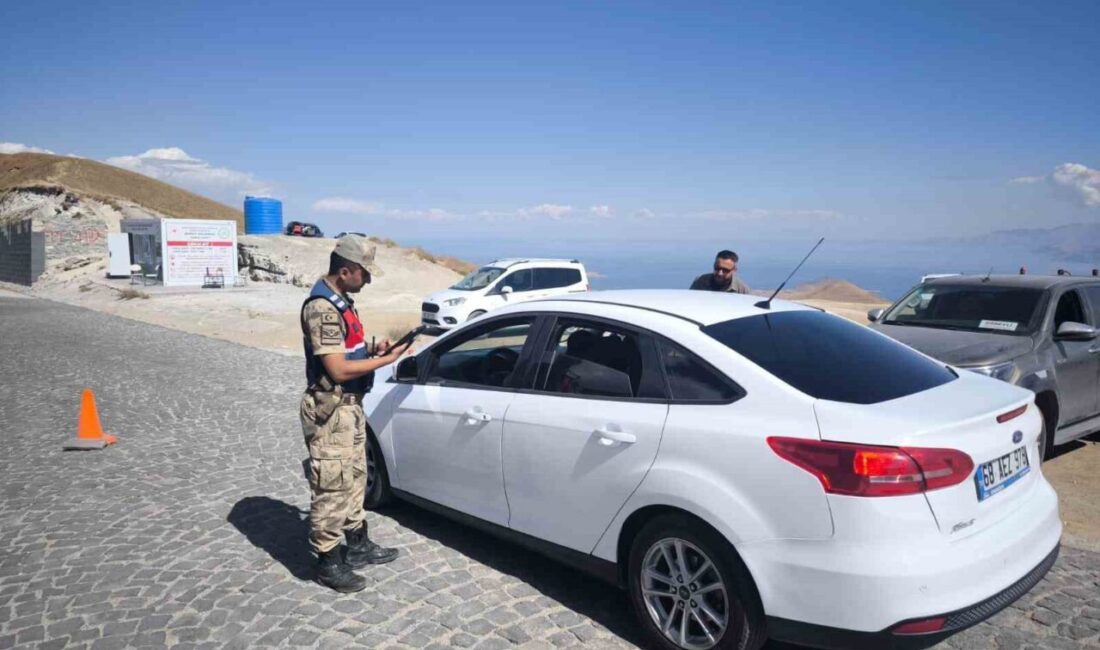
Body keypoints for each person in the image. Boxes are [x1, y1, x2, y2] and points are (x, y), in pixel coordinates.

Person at [300, 235, 416, 592]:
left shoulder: (342, 302)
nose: (367, 280)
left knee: (353, 478)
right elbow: (336, 369)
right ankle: (328, 561)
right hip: (331, 408)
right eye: (365, 274)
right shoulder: (322, 307)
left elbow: (345, 350)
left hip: (350, 407)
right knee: (331, 485)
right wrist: (385, 360)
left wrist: (371, 349)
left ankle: (357, 544)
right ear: (346, 270)